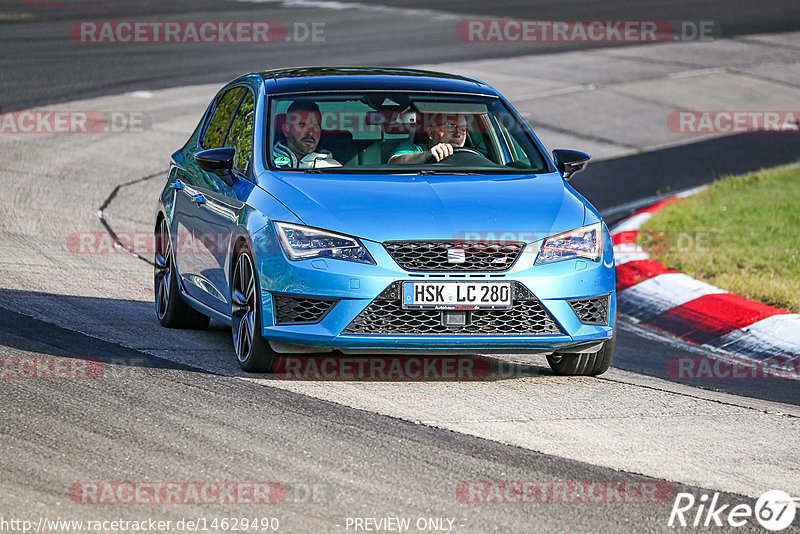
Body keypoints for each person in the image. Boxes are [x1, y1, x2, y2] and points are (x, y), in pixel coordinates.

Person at [273, 101, 341, 169]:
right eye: (302, 125)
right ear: (286, 130)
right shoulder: (267, 161)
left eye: (316, 126)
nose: (311, 132)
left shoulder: (333, 169)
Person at [388, 113, 469, 164]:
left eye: (463, 129)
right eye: (450, 126)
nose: (458, 134)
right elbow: (394, 163)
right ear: (431, 132)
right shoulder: (414, 149)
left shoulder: (472, 156)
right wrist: (427, 155)